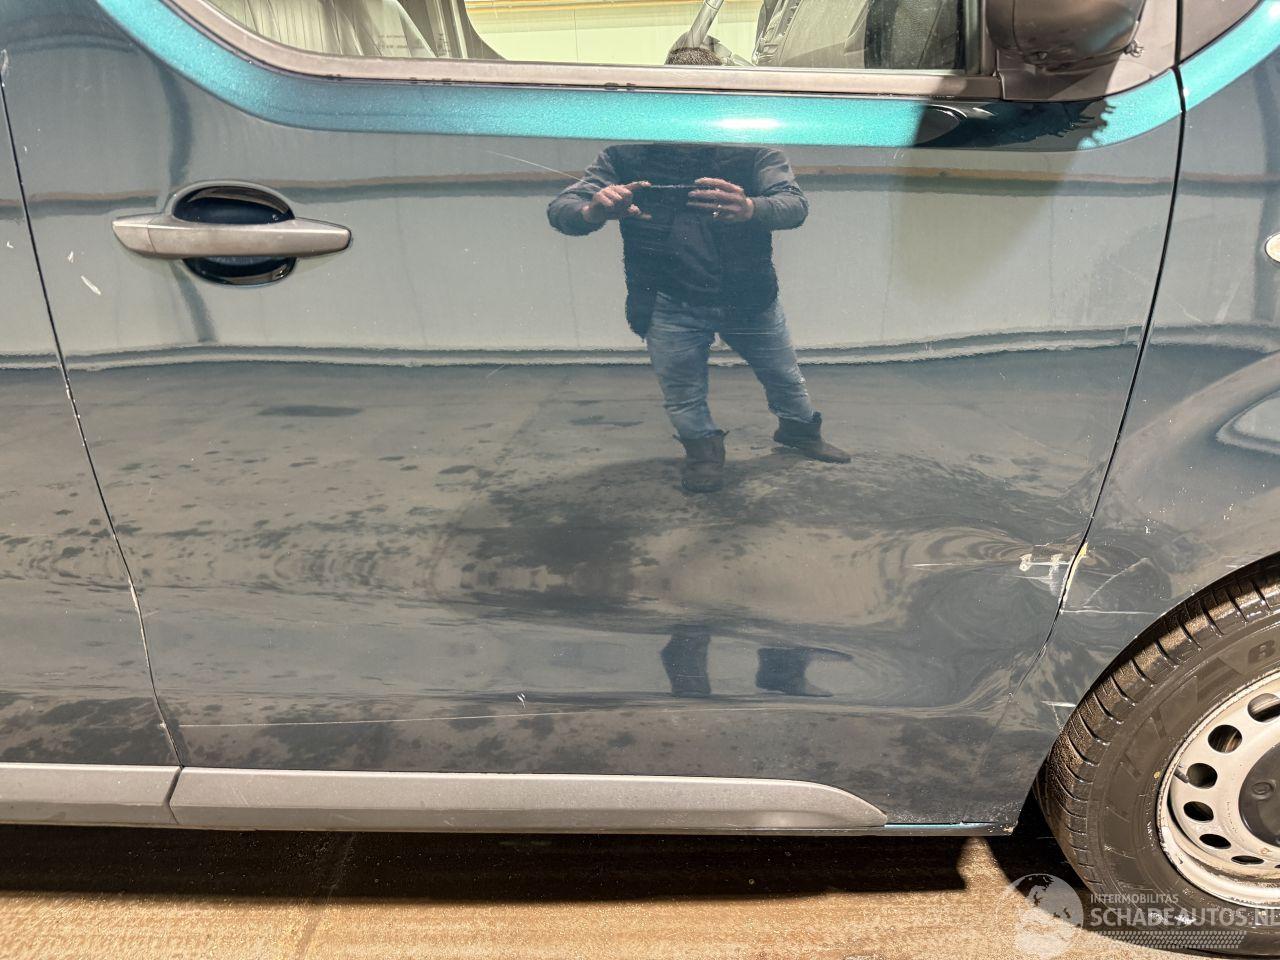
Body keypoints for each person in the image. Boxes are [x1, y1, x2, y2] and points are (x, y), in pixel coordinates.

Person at [546, 48, 850, 493]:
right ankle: (703, 453)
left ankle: (799, 431)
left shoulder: (753, 150)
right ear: (661, 99)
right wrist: (593, 209)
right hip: (668, 300)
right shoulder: (624, 155)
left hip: (748, 297)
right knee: (683, 393)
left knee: (784, 377)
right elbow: (562, 209)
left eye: (700, 96)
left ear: (719, 97)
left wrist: (752, 207)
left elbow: (795, 204)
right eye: (678, 96)